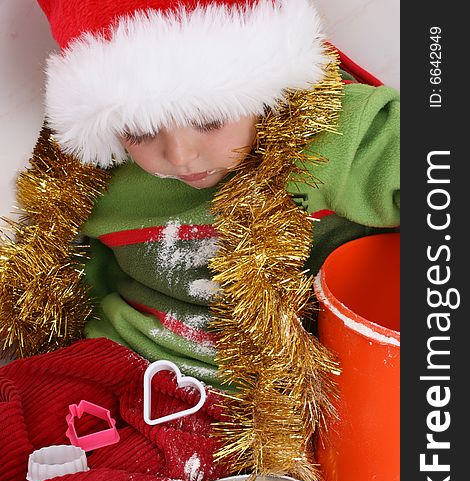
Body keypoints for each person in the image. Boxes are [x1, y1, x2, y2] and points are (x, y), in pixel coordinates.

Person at [18, 0, 398, 389]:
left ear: (265, 89)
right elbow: (80, 278)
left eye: (209, 120)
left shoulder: (330, 137)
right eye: (141, 131)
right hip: (118, 359)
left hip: (260, 397)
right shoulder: (102, 178)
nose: (180, 157)